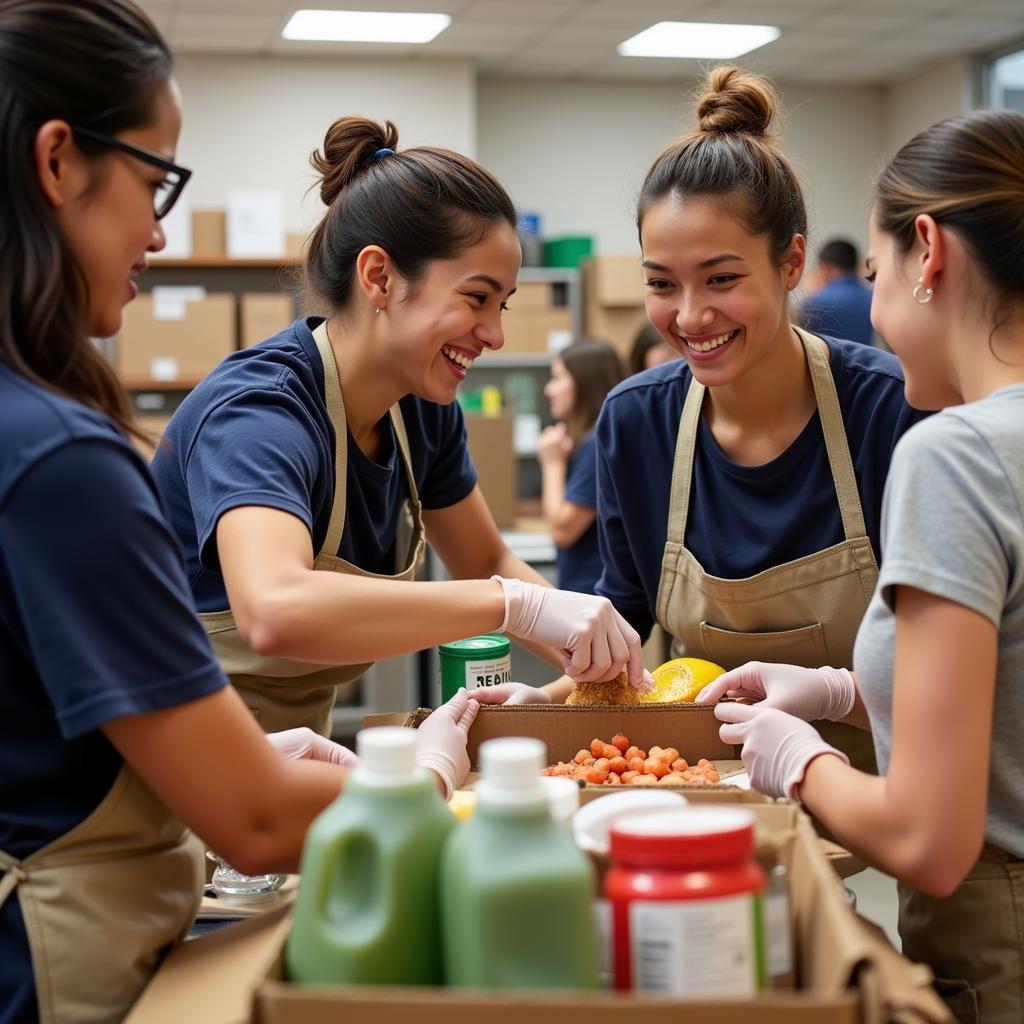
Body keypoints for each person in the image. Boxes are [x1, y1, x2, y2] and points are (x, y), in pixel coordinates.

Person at [0, 4, 479, 1021]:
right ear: (56, 163)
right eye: (154, 180)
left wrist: (254, 757)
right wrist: (430, 776)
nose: (160, 228)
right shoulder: (63, 459)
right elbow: (257, 820)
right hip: (50, 956)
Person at [149, 115, 646, 737]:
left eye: (503, 305)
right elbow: (275, 610)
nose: (494, 334)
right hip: (160, 755)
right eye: (476, 298)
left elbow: (483, 556)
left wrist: (611, 666)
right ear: (379, 277)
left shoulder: (421, 412)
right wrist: (516, 606)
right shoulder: (262, 411)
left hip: (286, 744)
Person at [507, 67, 926, 775]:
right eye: (661, 283)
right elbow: (625, 627)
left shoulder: (888, 410)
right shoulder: (636, 422)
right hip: (701, 788)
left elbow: (945, 661)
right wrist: (540, 706)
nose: (691, 316)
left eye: (722, 279)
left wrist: (828, 698)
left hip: (886, 797)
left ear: (792, 261)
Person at [702, 108, 1024, 1023]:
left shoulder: (957, 453)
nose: (873, 315)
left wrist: (797, 761)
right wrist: (846, 692)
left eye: (877, 277)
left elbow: (929, 841)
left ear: (929, 252)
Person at [538, 338, 625, 594]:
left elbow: (562, 529)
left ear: (585, 382)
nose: (549, 390)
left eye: (558, 378)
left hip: (593, 592)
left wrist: (552, 464)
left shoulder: (596, 443)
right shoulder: (599, 437)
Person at [799, 237, 875, 346]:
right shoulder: (872, 299)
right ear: (856, 265)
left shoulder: (814, 302)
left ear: (825, 267)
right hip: (867, 362)